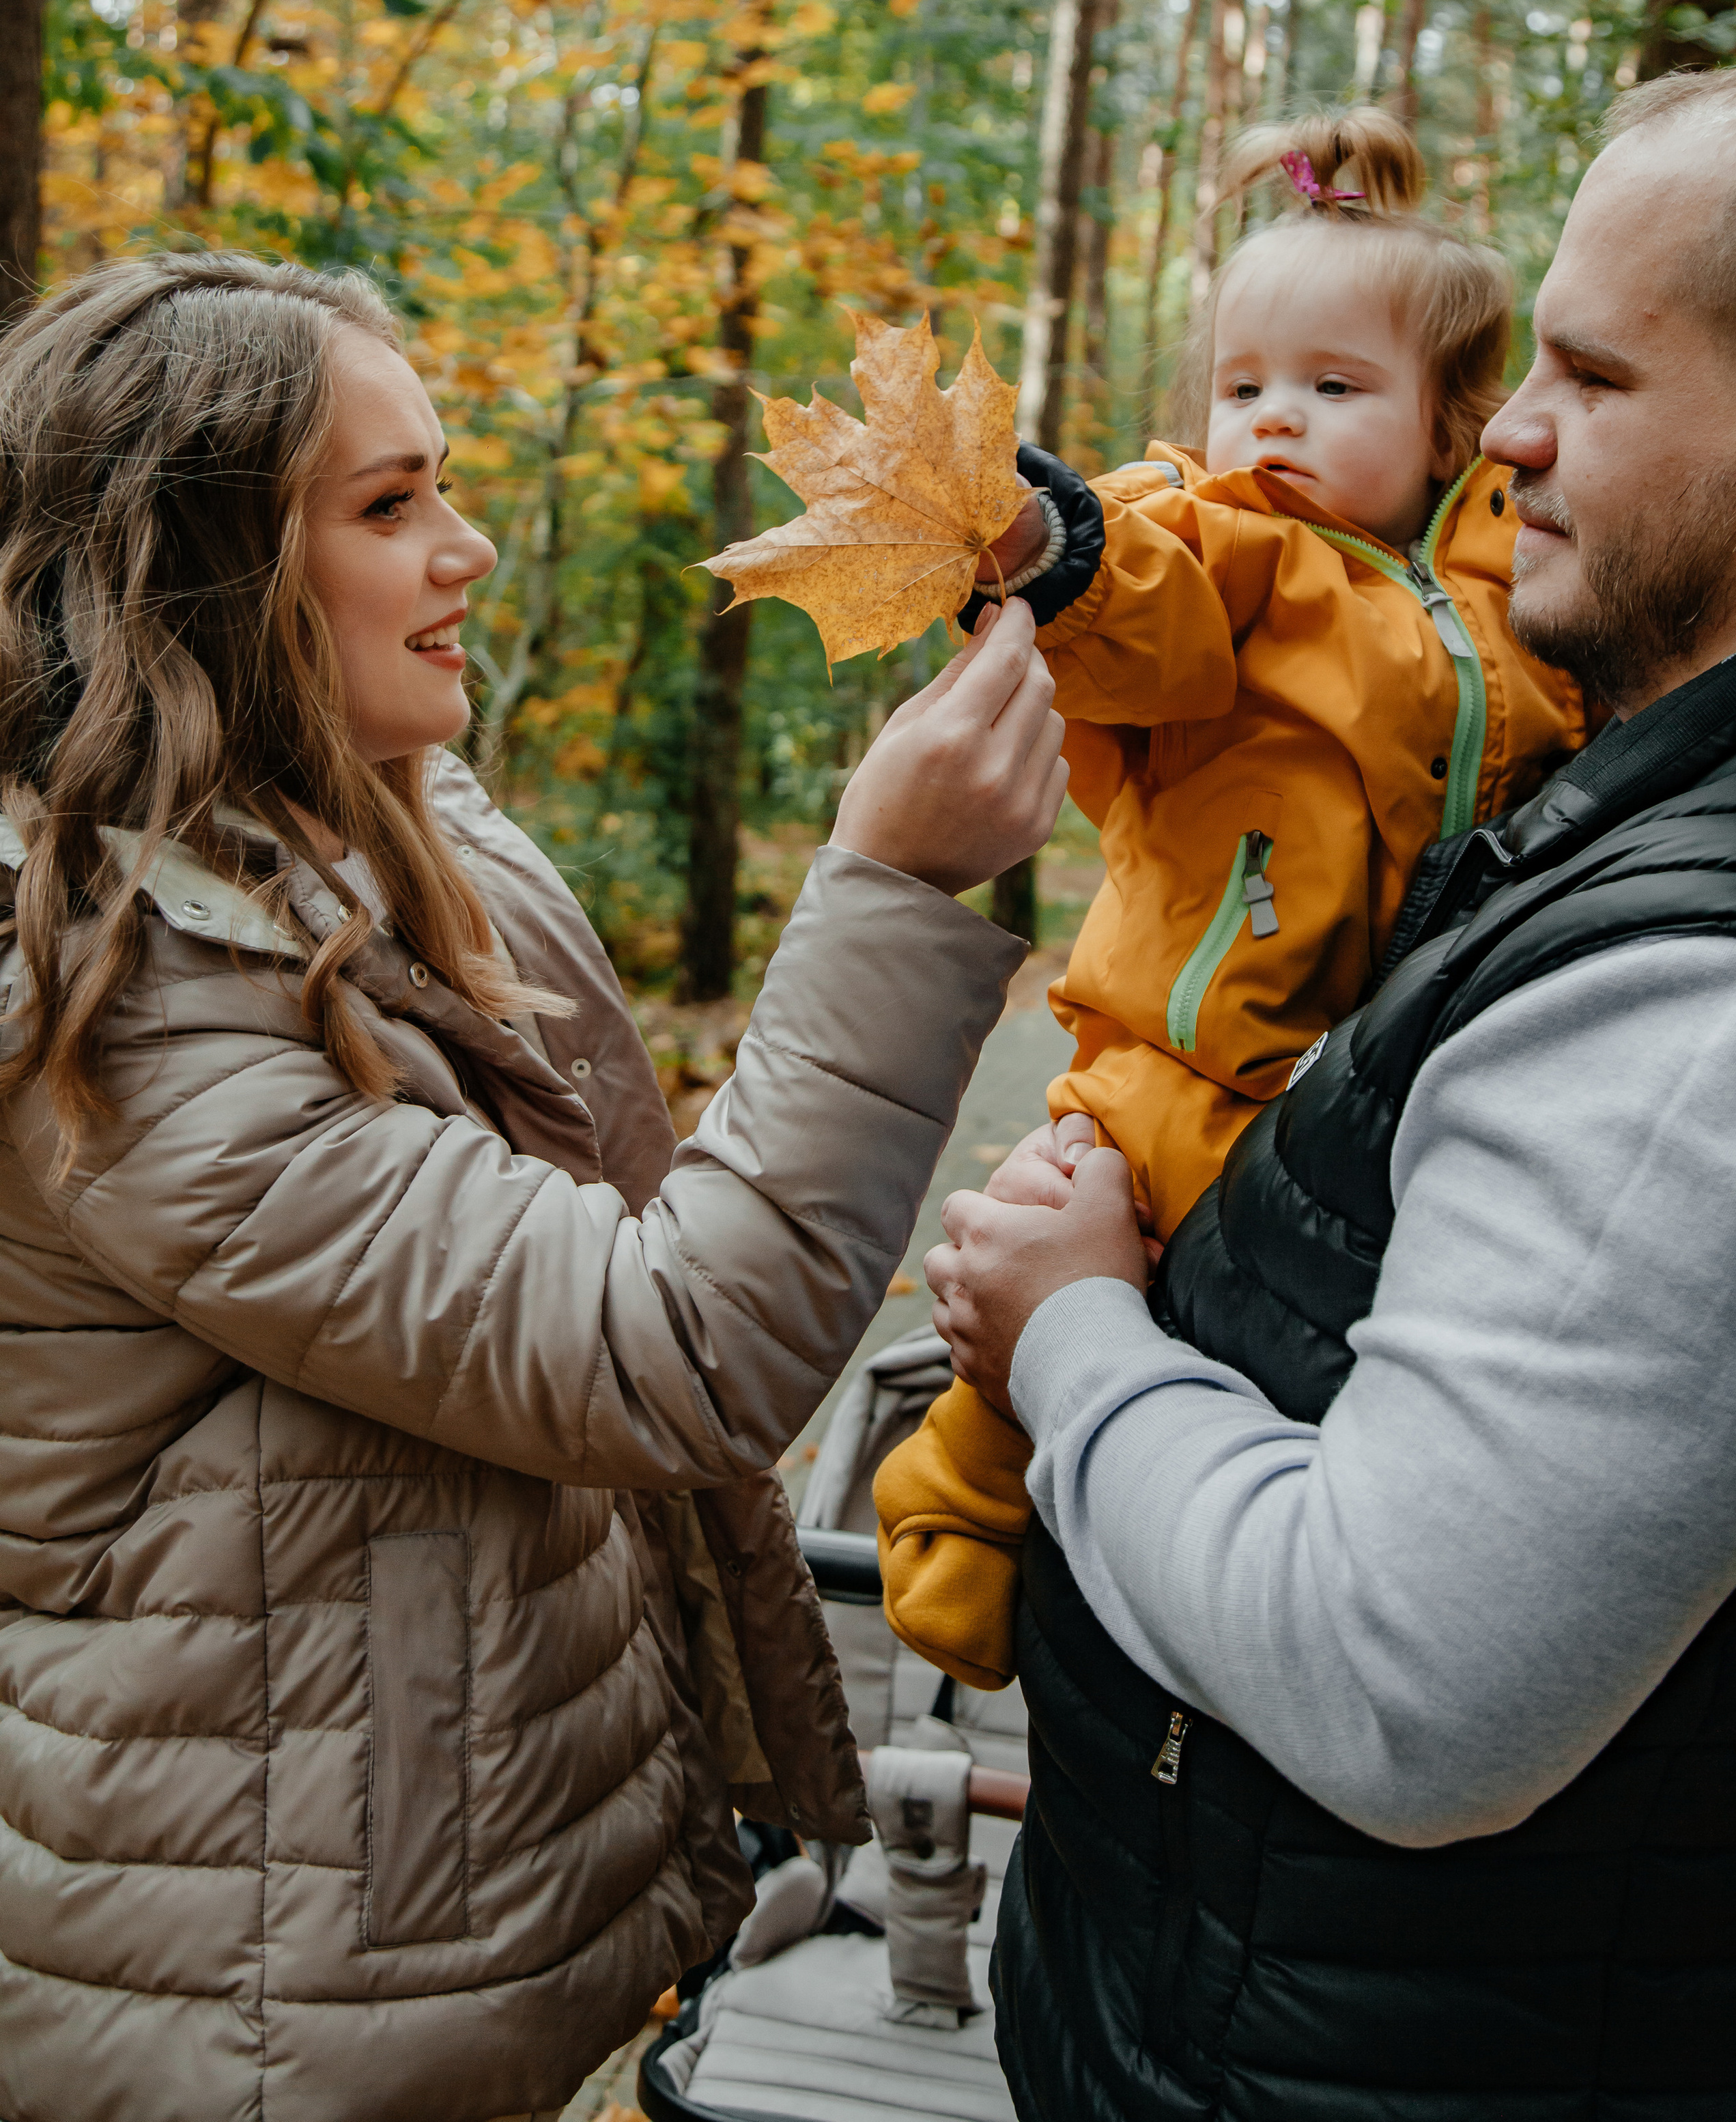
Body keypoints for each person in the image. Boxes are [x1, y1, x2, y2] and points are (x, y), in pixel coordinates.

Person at [0, 250, 1068, 2122]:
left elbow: (598, 1168)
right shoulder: (130, 1008)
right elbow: (671, 1342)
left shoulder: (369, 829)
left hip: (406, 1914)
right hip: (267, 2002)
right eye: (393, 506)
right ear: (207, 577)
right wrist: (889, 889)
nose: (468, 548)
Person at [924, 66, 1736, 2119]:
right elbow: (1147, 597)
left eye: (1589, 375)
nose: (1520, 435)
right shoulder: (1597, 745)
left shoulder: (1692, 1004)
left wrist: (1077, 1339)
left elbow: (1408, 1687)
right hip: (1261, 2010)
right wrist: (1053, 534)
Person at [874, 108, 1585, 1695]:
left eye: (1333, 391)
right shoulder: (1226, 555)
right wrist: (1050, 546)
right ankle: (958, 1509)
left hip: (1383, 1068)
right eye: (1243, 383)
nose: (1272, 421)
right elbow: (1140, 618)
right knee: (1073, 1255)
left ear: (1449, 426)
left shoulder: (1504, 606)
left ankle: (1218, 1565)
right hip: (1177, 1055)